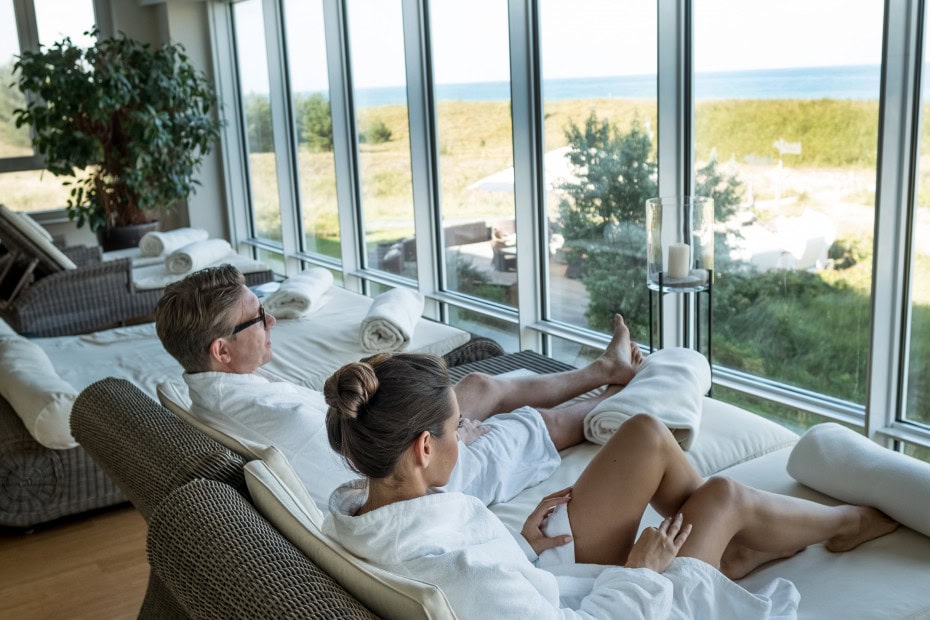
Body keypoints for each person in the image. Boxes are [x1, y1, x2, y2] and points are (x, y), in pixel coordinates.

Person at [322, 352, 899, 618]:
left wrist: (526, 548)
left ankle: (730, 552)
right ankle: (847, 523)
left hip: (556, 579)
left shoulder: (360, 514)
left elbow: (491, 583)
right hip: (616, 606)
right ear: (424, 449)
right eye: (459, 429)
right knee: (722, 498)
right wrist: (639, 574)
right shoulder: (460, 574)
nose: (469, 433)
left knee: (646, 434)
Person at [154, 263, 642, 508]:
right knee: (534, 424)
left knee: (477, 383)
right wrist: (453, 440)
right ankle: (618, 398)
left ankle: (604, 368)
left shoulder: (207, 388)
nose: (272, 319)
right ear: (222, 350)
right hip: (430, 475)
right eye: (257, 318)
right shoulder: (287, 422)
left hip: (402, 441)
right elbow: (374, 481)